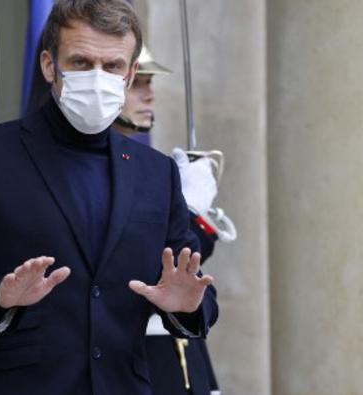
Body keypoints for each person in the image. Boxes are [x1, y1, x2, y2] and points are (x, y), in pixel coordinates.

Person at [0, 1, 218, 394]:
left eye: (112, 66)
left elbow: (197, 289)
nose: (97, 77)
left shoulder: (155, 173)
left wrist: (189, 305)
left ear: (128, 76)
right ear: (48, 66)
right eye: (80, 62)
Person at [112, 46, 222, 395]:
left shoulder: (150, 168)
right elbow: (149, 258)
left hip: (179, 353)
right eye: (136, 83)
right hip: (134, 354)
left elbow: (189, 261)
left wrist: (194, 213)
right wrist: (190, 209)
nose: (150, 94)